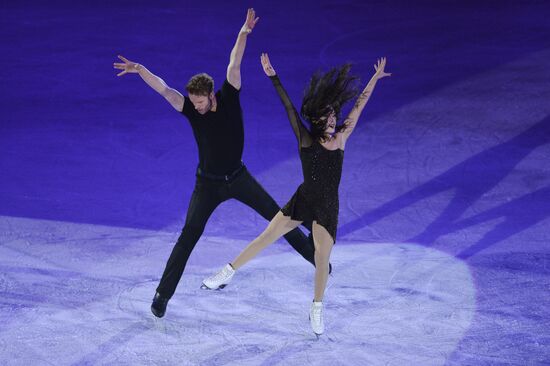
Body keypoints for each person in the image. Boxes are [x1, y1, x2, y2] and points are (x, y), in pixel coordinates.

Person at [113, 9, 323, 318]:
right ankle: (162, 295)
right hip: (208, 184)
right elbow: (164, 89)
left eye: (200, 102)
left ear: (211, 95)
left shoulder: (229, 96)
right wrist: (140, 69)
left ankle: (319, 260)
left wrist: (243, 33)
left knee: (281, 218)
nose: (196, 108)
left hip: (238, 177)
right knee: (189, 234)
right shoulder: (189, 109)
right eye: (193, 102)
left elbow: (234, 62)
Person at [202, 53, 391, 336]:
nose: (333, 118)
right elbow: (289, 107)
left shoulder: (341, 138)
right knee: (266, 236)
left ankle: (316, 307)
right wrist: (273, 76)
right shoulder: (306, 139)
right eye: (328, 115)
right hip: (303, 200)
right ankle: (227, 272)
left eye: (333, 114)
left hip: (327, 207)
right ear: (317, 119)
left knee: (322, 260)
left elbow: (359, 107)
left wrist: (374, 79)